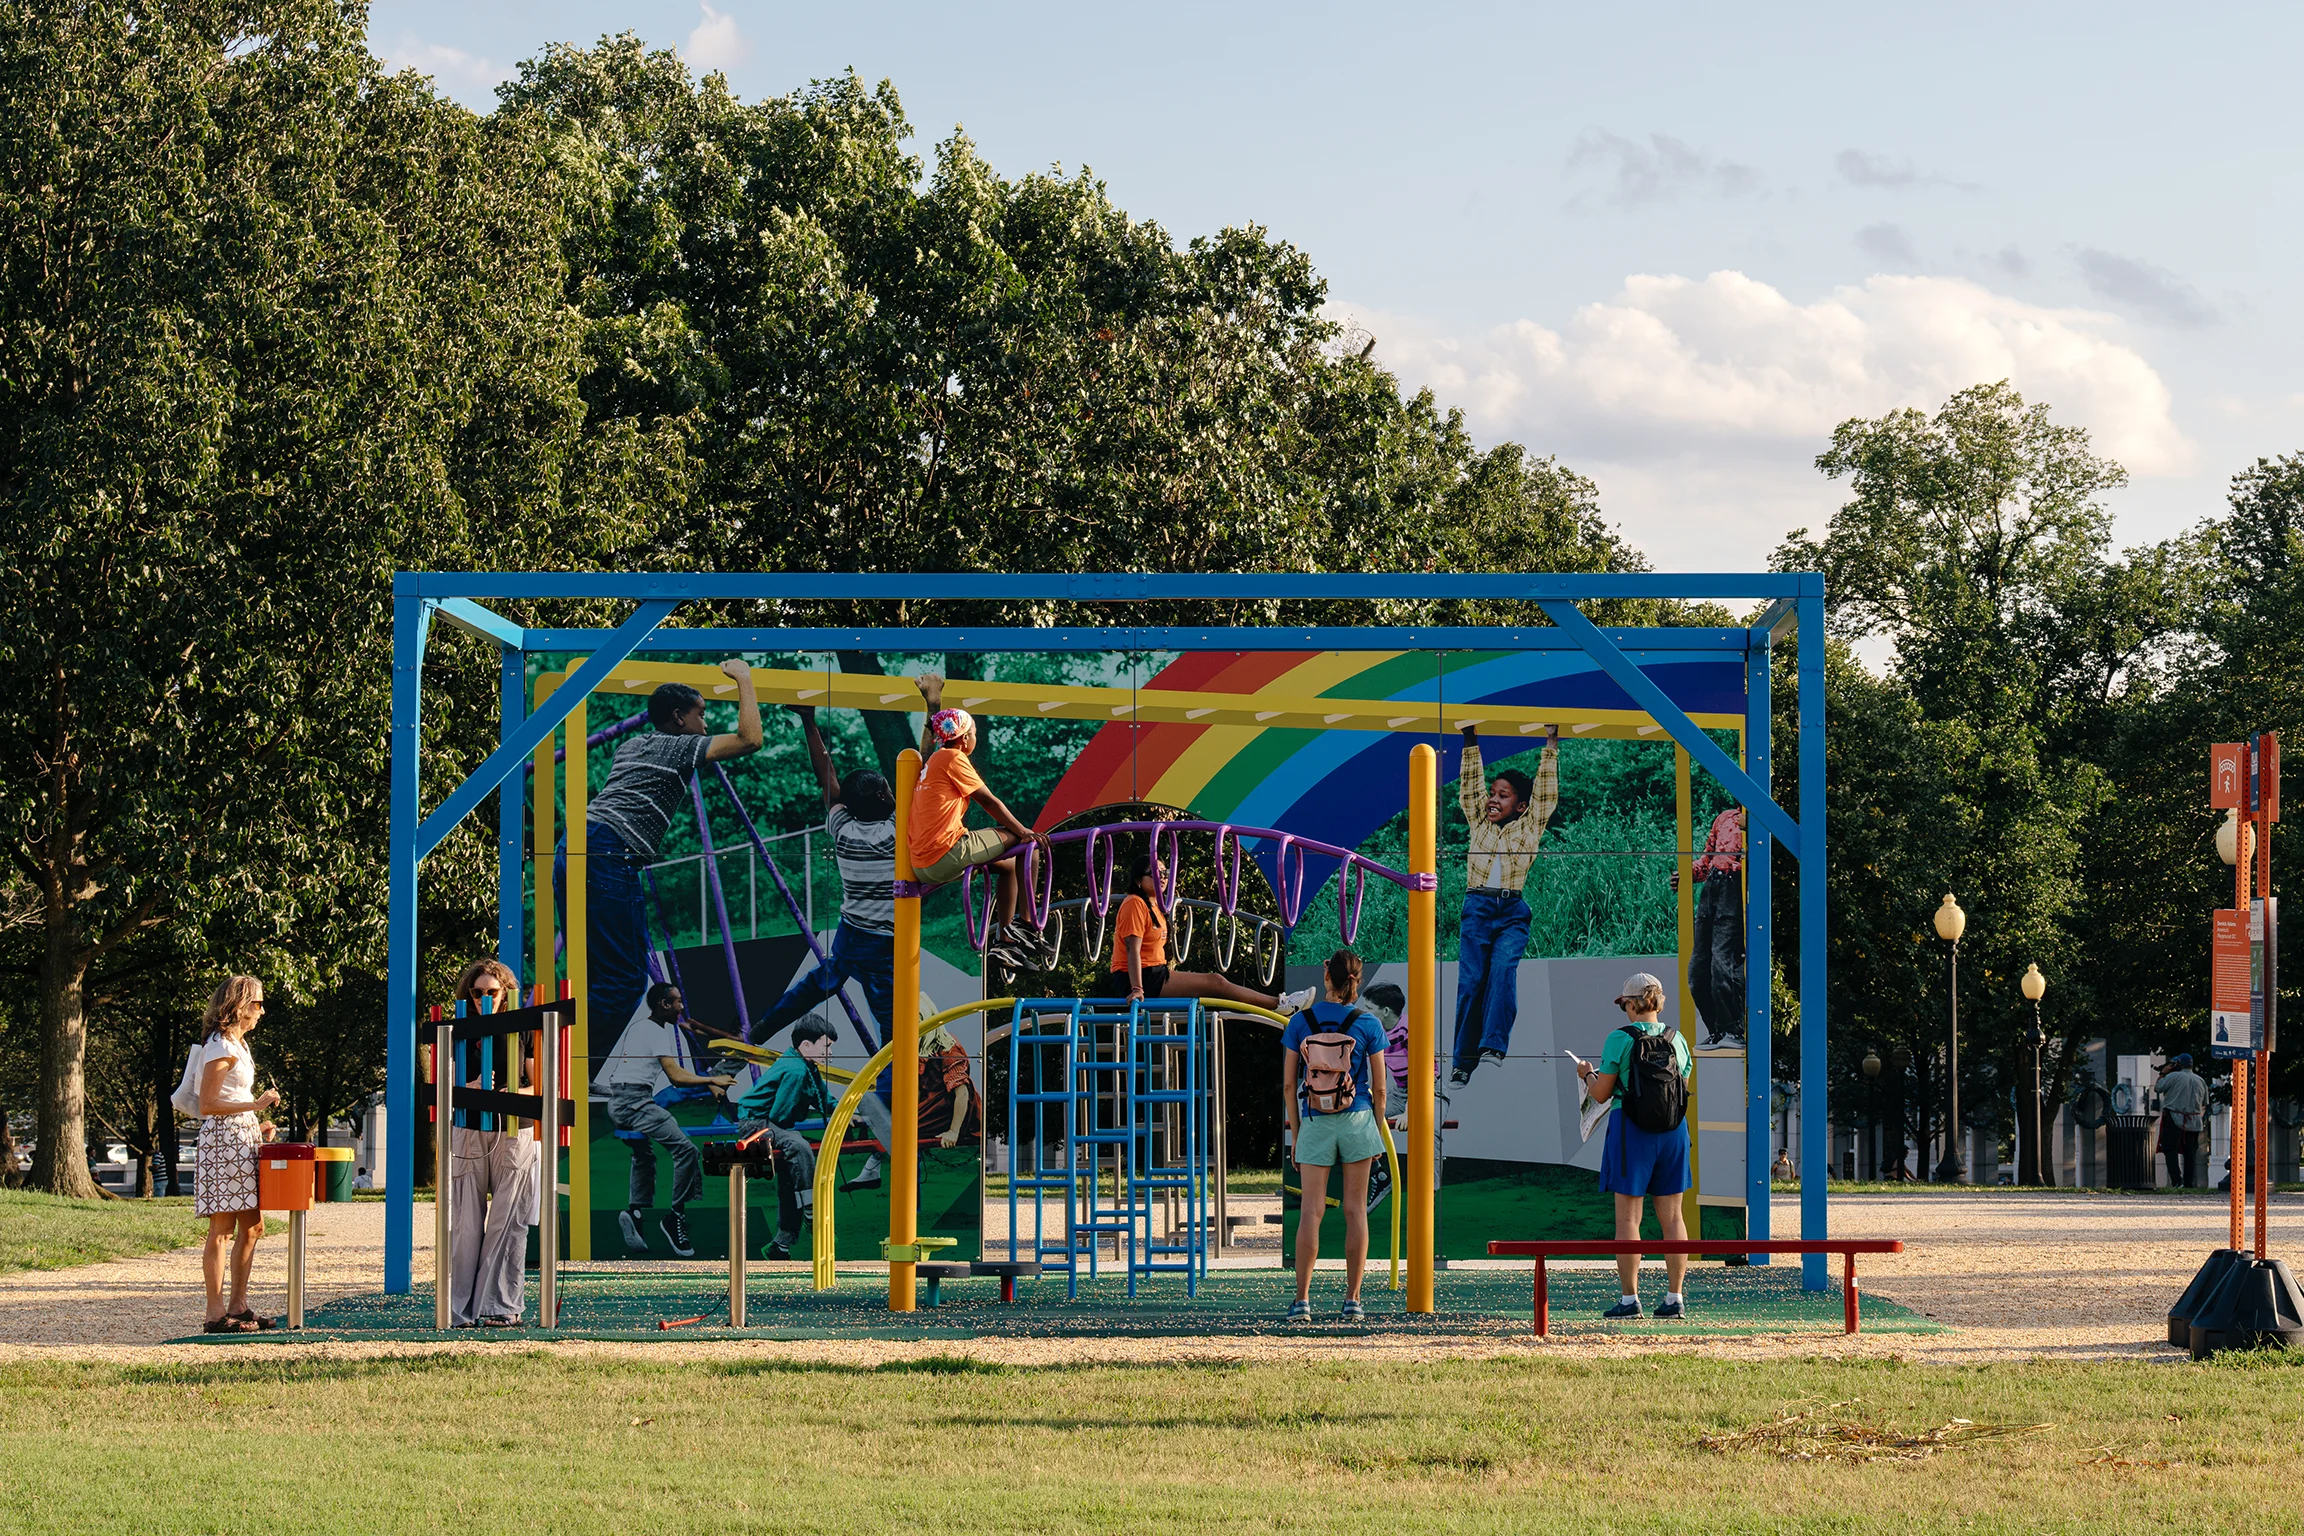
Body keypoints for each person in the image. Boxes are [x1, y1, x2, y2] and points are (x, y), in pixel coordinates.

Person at [555, 659, 761, 1057]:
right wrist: (744, 679)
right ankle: (574, 1069)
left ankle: (565, 1062)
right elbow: (750, 739)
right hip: (611, 853)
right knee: (626, 981)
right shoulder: (678, 746)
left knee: (596, 976)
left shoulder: (632, 745)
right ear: (678, 718)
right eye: (701, 715)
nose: (705, 724)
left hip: (575, 845)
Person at [749, 706, 899, 1051]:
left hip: (849, 934)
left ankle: (762, 1029)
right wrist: (933, 708)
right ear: (881, 795)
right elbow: (920, 775)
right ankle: (895, 1088)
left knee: (816, 985)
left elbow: (826, 777)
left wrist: (808, 719)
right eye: (890, 789)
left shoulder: (842, 828)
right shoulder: (895, 831)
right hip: (880, 943)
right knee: (892, 1021)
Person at [909, 673, 1053, 972]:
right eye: (974, 733)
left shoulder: (931, 762)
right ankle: (1025, 925)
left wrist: (932, 702)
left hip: (921, 863)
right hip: (945, 851)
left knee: (1010, 866)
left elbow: (927, 741)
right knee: (1031, 849)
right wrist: (1024, 832)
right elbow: (989, 801)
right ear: (965, 739)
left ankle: (1006, 944)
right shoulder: (953, 758)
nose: (976, 737)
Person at [1576, 972, 1693, 1320]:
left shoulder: (1620, 1039)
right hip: (1673, 1131)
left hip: (1631, 1130)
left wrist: (1586, 1073)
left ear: (1631, 1003)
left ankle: (1630, 1300)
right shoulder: (1678, 1039)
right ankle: (1675, 1298)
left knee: (1628, 1217)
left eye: (1624, 1004)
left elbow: (1601, 1093)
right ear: (1658, 1002)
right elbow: (1683, 1086)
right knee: (1673, 1218)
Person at [1281, 950, 1389, 1324]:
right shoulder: (1369, 1023)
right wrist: (1375, 1127)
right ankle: (1353, 1300)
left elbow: (1288, 1084)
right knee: (1355, 1210)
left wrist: (1297, 1133)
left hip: (1314, 1120)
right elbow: (1380, 1086)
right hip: (1358, 1118)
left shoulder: (1300, 1022)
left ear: (1327, 976)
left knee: (1310, 1212)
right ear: (1356, 981)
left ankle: (1302, 1302)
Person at [1451, 725, 1560, 1084]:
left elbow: (1545, 793)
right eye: (1492, 793)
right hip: (1477, 908)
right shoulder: (1478, 822)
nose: (1493, 799)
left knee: (1501, 971)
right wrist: (1470, 739)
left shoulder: (1530, 827)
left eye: (1504, 795)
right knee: (1471, 982)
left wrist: (1550, 743)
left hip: (1512, 912)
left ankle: (1493, 1045)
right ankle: (1462, 1063)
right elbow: (1469, 787)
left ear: (1522, 806)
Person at [595, 981, 734, 1258]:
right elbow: (676, 1076)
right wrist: (712, 1079)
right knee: (687, 1150)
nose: (681, 1007)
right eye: (677, 1001)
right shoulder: (657, 1031)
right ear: (664, 1004)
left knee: (643, 1153)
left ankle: (635, 1212)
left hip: (620, 1102)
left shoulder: (640, 1028)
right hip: (635, 1103)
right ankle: (675, 1217)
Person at [445, 958, 542, 1328]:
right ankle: (460, 1309)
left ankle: (501, 1304)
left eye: (491, 991)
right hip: (468, 1127)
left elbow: (541, 1086)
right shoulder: (456, 1028)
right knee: (466, 1223)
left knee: (509, 1220)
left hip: (514, 1128)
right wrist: (462, 1090)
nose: (483, 997)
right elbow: (441, 1085)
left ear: (506, 994)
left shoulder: (525, 1028)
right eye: (476, 991)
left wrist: (514, 1092)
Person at [1095, 853, 1315, 1014]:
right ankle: (1279, 1004)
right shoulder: (1134, 903)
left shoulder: (1156, 907)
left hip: (1154, 974)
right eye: (1154, 873)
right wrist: (1136, 989)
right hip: (1139, 978)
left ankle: (1278, 1004)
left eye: (1165, 872)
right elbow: (1132, 950)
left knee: (1215, 982)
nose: (1162, 877)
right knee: (1216, 982)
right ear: (1137, 881)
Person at [194, 975, 279, 1333]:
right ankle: (215, 1314)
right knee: (222, 1228)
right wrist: (255, 1105)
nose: (262, 1011)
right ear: (239, 1006)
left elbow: (227, 1101)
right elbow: (208, 1103)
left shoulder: (238, 1045)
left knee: (254, 1226)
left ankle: (238, 1305)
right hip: (223, 1141)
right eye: (257, 1003)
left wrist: (254, 1123)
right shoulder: (219, 1046)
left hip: (240, 1138)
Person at [736, 1018, 839, 1261]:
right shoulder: (795, 1070)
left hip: (771, 1123)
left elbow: (823, 1097)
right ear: (806, 1045)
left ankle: (780, 1244)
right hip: (756, 1124)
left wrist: (845, 1112)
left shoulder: (807, 1066)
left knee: (788, 1180)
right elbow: (780, 1115)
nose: (830, 1052)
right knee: (798, 1145)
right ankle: (812, 1212)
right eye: (826, 1047)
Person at [1682, 805, 1747, 1046]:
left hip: (1734, 886)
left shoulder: (1756, 819)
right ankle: (1717, 1029)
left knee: (1723, 962)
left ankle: (1734, 1029)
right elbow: (1707, 858)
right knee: (1698, 970)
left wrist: (1750, 827)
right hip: (1713, 886)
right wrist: (1688, 873)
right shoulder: (1724, 817)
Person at [918, 1022, 983, 1148]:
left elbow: (962, 1092)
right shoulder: (921, 1050)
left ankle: (876, 1159)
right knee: (899, 1127)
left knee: (902, 1130)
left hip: (949, 1110)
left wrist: (953, 1131)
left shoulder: (947, 1049)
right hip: (933, 1105)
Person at [2157, 1053, 2208, 1189]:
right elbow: (2204, 1102)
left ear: (2177, 1064)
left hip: (2174, 1117)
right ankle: (2189, 1183)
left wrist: (2163, 1073)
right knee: (2190, 1153)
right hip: (2194, 1120)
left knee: (2170, 1149)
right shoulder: (2200, 1080)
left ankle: (2176, 1181)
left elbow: (2158, 1088)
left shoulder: (2172, 1076)